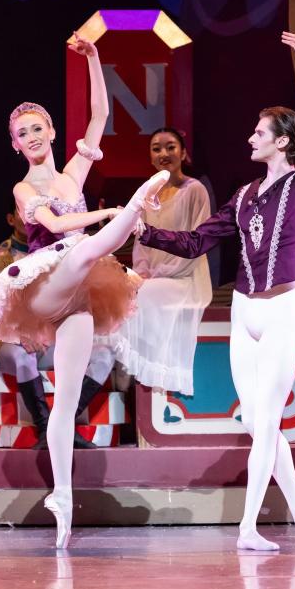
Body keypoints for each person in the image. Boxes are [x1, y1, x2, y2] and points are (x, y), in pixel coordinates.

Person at [134, 20, 295, 551]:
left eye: (260, 132)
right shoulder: (243, 196)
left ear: (284, 141)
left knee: (267, 420)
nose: (250, 137)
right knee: (261, 424)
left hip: (282, 309)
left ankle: (247, 530)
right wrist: (142, 229)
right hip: (244, 312)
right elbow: (197, 241)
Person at [0, 32, 169, 549]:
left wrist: (94, 60)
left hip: (80, 297)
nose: (33, 135)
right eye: (23, 132)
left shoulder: (73, 173)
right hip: (47, 279)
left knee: (65, 399)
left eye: (38, 127)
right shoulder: (26, 189)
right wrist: (111, 213)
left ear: (50, 130)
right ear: (15, 144)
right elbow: (57, 227)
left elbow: (100, 116)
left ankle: (62, 496)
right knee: (86, 247)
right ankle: (133, 207)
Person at [0, 203, 115, 450]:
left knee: (104, 353)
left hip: (52, 340)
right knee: (22, 356)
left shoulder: (55, 252)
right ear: (12, 219)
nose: (31, 218)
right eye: (23, 213)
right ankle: (45, 428)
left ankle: (63, 424)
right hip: (13, 343)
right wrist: (21, 335)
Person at [110, 128, 212, 395]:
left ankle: (132, 372)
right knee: (120, 295)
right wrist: (140, 275)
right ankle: (121, 372)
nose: (164, 154)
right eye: (157, 148)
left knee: (142, 296)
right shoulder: (146, 195)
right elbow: (141, 246)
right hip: (153, 279)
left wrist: (159, 274)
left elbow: (197, 243)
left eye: (170, 147)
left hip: (186, 279)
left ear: (184, 153)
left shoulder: (194, 190)